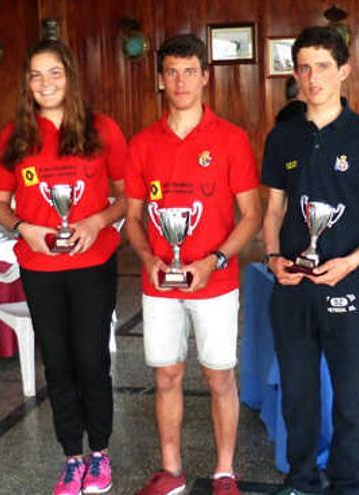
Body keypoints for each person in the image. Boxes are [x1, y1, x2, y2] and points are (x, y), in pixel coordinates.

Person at [262, 27, 359, 495]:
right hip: (292, 289)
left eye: (322, 66)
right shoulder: (282, 137)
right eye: (303, 67)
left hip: (346, 286)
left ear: (343, 70)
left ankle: (346, 482)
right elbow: (274, 211)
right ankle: (301, 479)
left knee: (348, 397)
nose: (312, 76)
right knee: (298, 395)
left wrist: (352, 262)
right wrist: (273, 257)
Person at [0, 39, 126, 495]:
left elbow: (130, 196)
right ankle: (72, 457)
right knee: (60, 365)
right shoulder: (16, 136)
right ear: (27, 84)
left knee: (91, 360)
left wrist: (98, 219)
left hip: (93, 262)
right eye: (35, 74)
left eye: (54, 73)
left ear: (69, 76)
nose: (45, 83)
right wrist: (23, 227)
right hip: (40, 267)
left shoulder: (101, 129)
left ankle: (100, 453)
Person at [126, 33, 262, 495]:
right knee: (166, 375)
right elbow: (131, 214)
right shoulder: (143, 143)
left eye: (189, 72)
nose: (180, 81)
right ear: (160, 80)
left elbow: (252, 214)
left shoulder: (231, 139)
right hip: (160, 283)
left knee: (220, 376)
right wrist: (146, 257)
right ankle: (172, 470)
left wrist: (215, 259)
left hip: (216, 281)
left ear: (205, 77)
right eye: (171, 72)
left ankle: (225, 471)